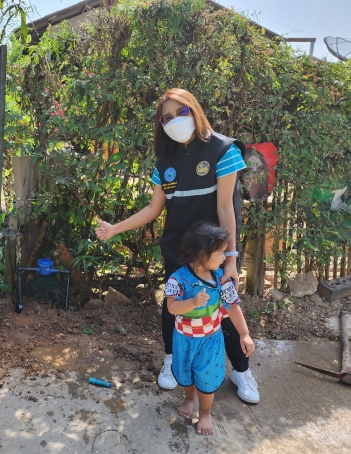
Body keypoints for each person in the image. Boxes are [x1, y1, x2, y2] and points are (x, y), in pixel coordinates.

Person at [95, 88, 260, 403]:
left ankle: (241, 370)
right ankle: (172, 359)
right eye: (166, 117)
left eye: (180, 112)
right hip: (178, 252)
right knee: (173, 303)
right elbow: (153, 209)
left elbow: (227, 208)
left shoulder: (223, 151)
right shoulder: (165, 163)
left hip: (214, 254)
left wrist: (230, 260)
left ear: (194, 110)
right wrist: (115, 228)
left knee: (224, 306)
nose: (174, 121)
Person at [164, 221, 255, 435]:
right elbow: (172, 308)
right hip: (184, 339)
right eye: (220, 253)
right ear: (202, 254)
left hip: (210, 341)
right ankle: (189, 399)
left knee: (206, 378)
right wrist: (193, 302)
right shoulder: (178, 279)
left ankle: (205, 413)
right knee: (186, 375)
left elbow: (233, 307)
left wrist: (244, 334)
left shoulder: (221, 280)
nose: (224, 258)